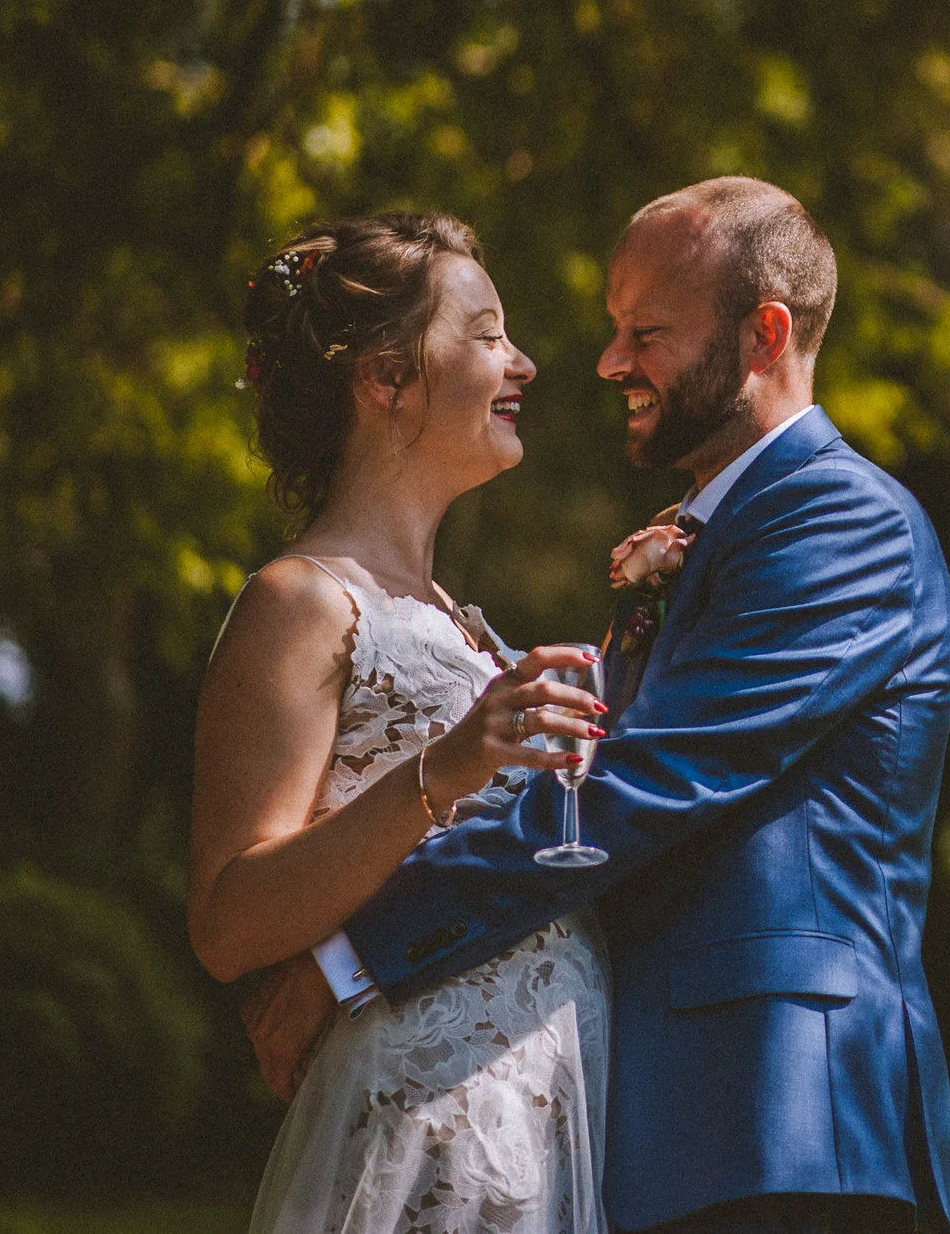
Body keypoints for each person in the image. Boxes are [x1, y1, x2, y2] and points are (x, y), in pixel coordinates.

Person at [241, 178, 950, 1234]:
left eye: (646, 331)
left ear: (764, 335)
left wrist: (351, 959)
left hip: (786, 1116)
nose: (609, 362)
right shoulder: (713, 536)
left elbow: (641, 785)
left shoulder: (841, 521)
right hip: (659, 1120)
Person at [188, 211, 613, 1234]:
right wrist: (443, 767)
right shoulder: (300, 602)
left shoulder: (462, 625)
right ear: (386, 379)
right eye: (485, 334)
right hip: (423, 1135)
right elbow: (228, 919)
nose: (525, 362)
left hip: (543, 1128)